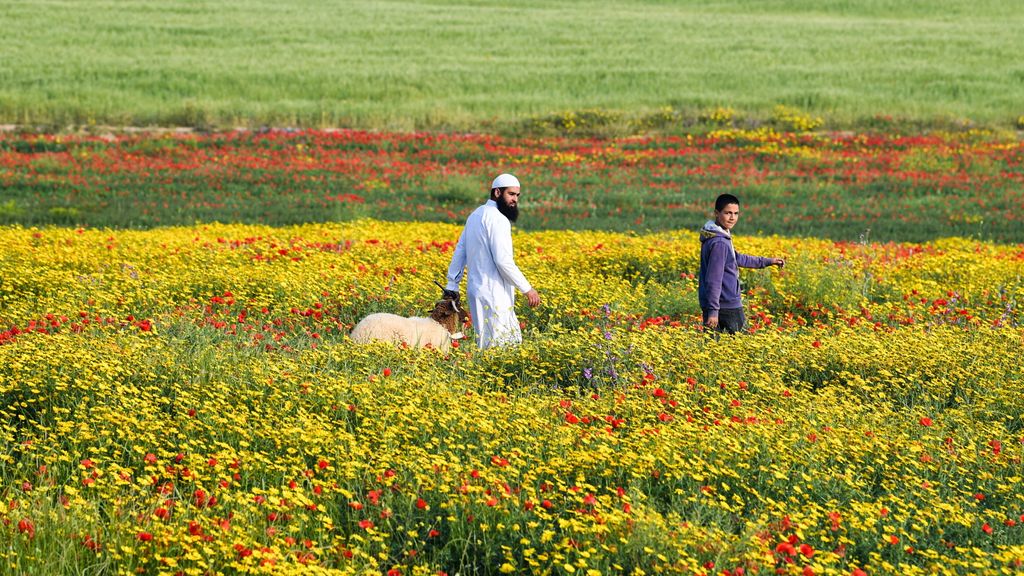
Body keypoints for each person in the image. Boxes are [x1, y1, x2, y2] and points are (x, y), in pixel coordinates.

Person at [445, 173, 541, 349]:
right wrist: (527, 289)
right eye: (511, 194)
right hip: (494, 293)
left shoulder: (475, 215)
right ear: (497, 192)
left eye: (517, 196)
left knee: (485, 345)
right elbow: (503, 261)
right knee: (505, 345)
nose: (515, 200)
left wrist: (452, 284)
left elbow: (460, 251)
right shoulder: (498, 219)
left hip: (476, 291)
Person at [698, 193, 785, 333]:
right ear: (716, 213)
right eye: (727, 213)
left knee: (713, 348)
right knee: (741, 347)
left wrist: (768, 261)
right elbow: (714, 279)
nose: (732, 217)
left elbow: (737, 258)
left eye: (736, 213)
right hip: (726, 305)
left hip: (716, 304)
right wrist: (713, 311)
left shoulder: (716, 235)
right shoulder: (720, 242)